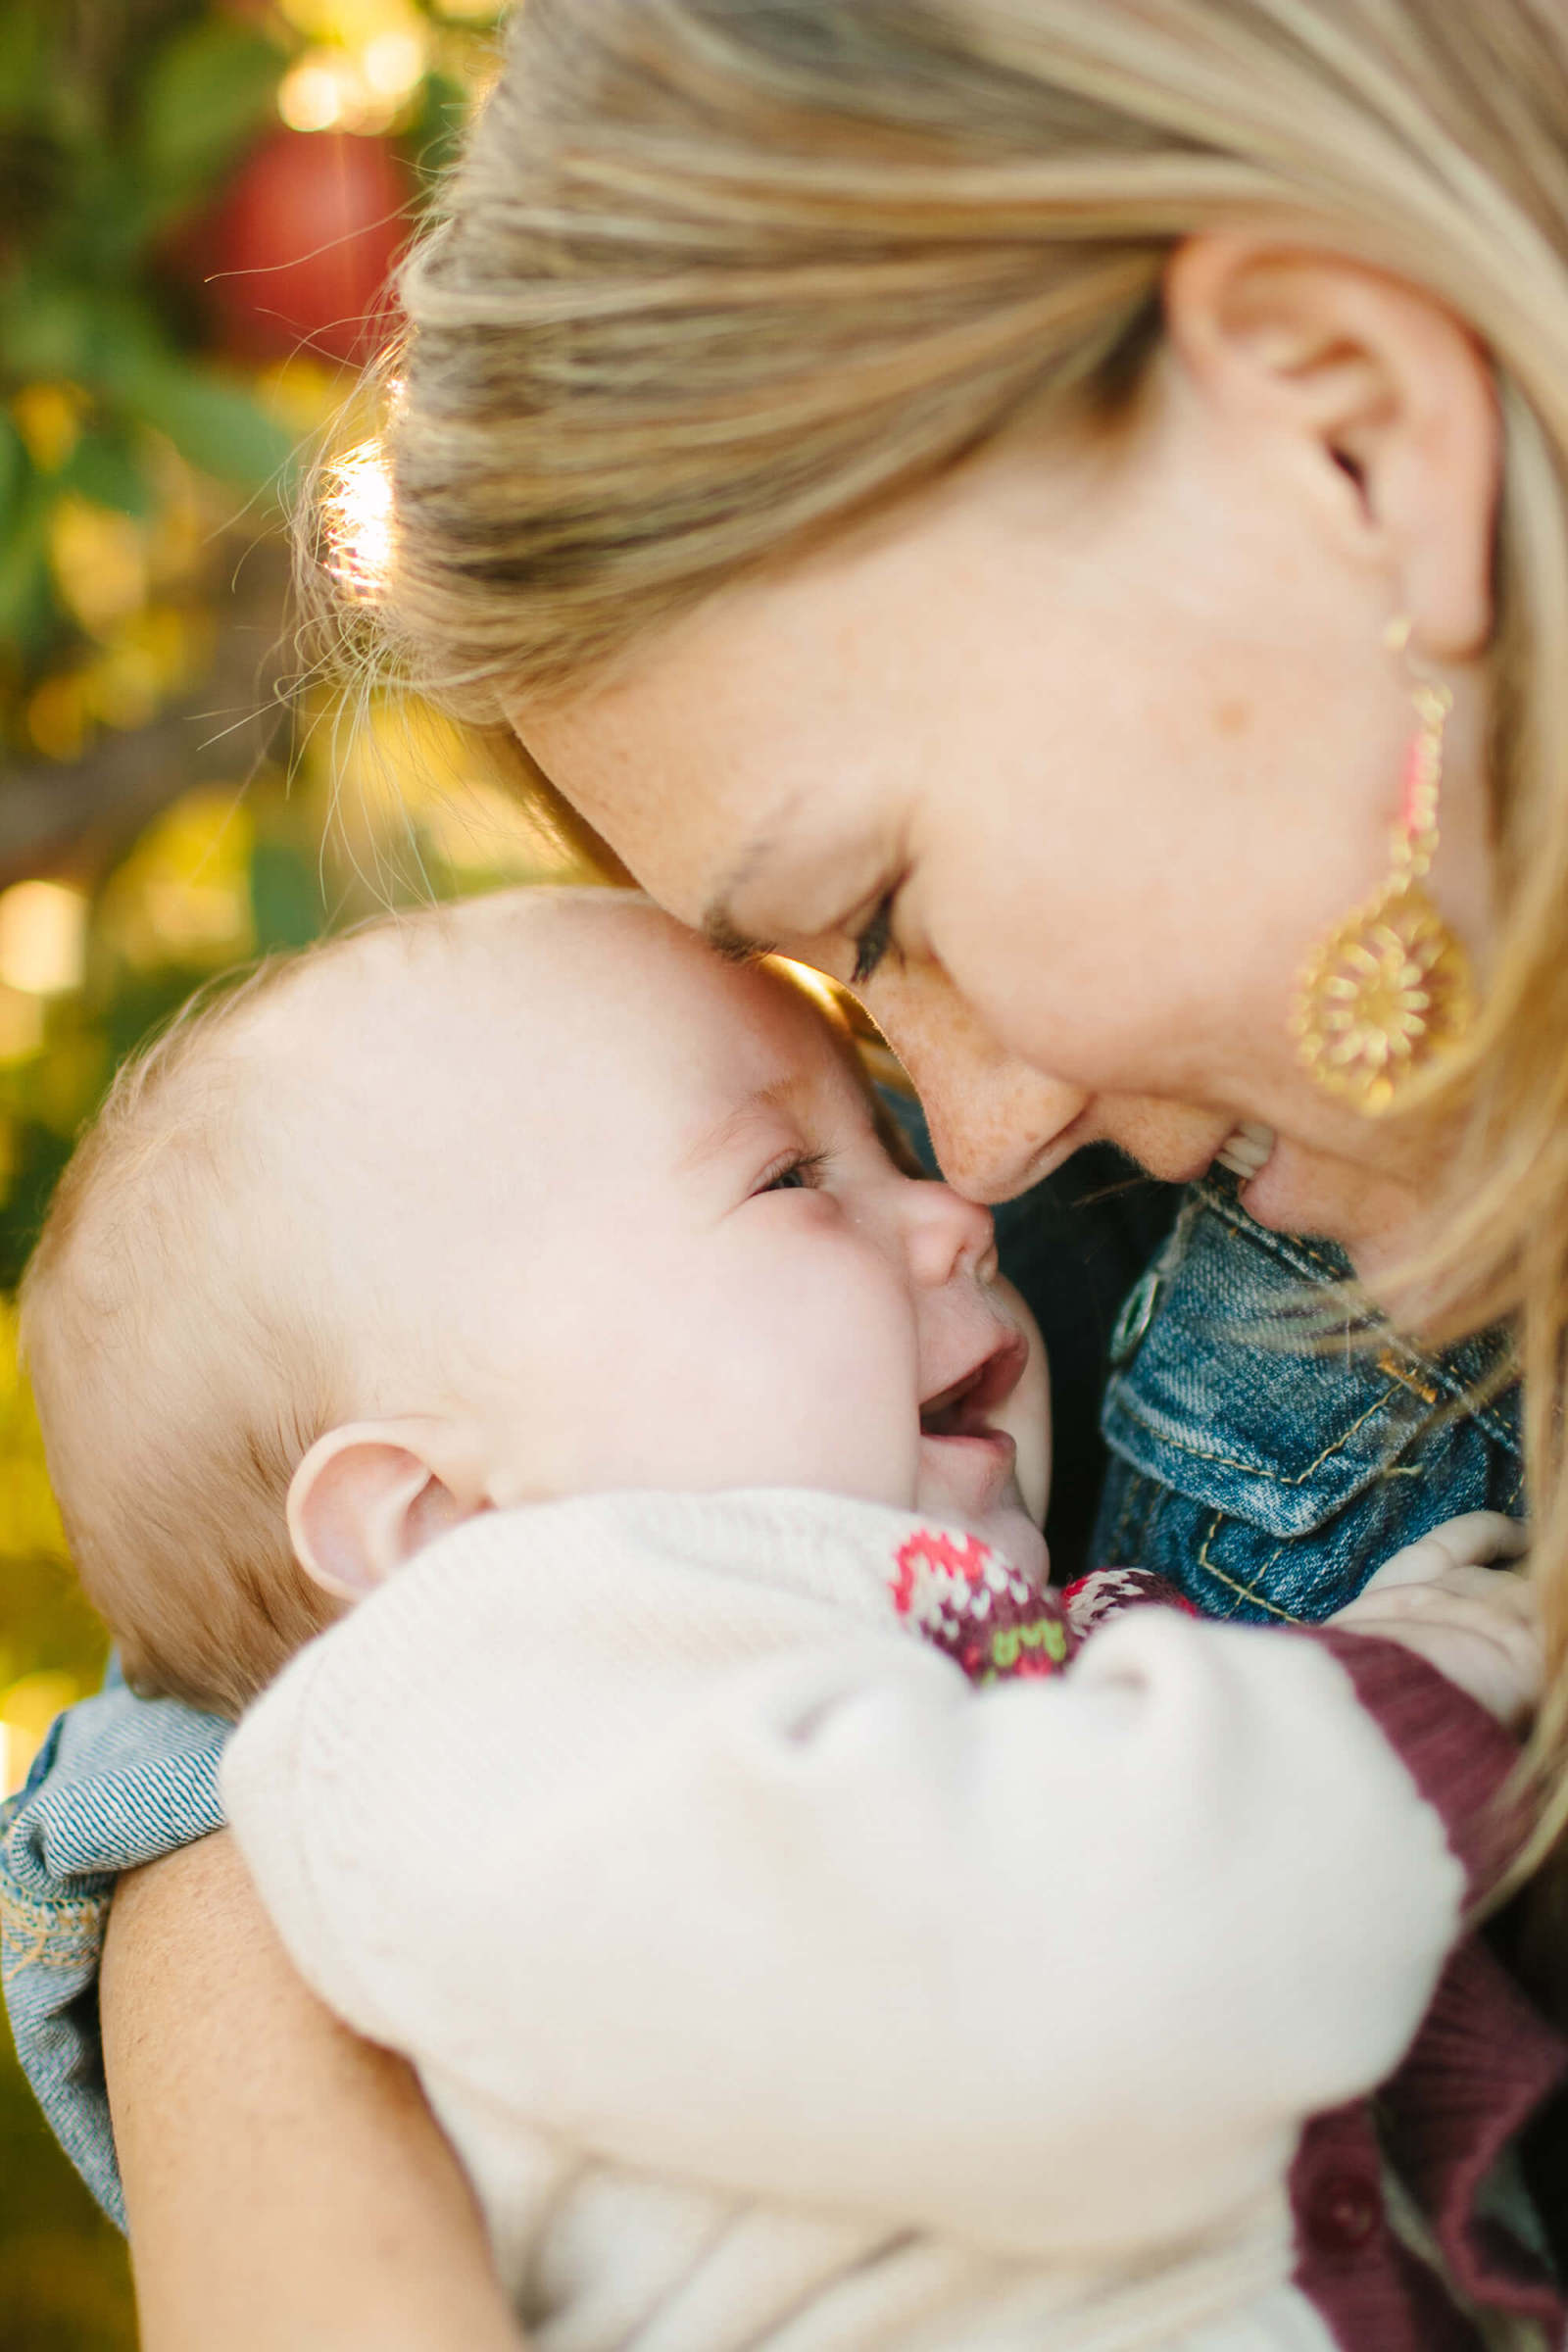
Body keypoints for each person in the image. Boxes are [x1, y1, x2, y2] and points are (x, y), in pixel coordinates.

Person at [5, 0, 1567, 2338]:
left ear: (1353, 433)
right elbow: (267, 1684)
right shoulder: (1130, 1256)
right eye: (844, 1012)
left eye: (887, 915)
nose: (978, 1144)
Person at [18, 885, 1559, 2348]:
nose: (960, 1210)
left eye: (887, 1143)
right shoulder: (499, 1739)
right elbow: (1044, 1966)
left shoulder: (795, 1679)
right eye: (792, 1179)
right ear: (429, 1523)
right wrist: (1391, 1690)